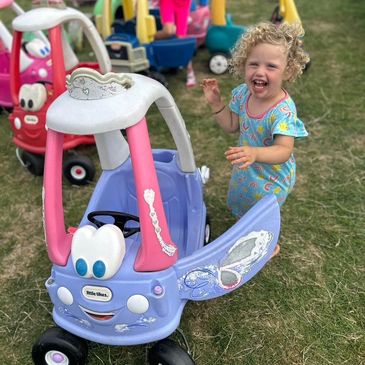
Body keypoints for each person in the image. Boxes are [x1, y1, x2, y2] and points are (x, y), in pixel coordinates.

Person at [201, 22, 310, 256]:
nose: (260, 72)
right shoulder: (243, 94)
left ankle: (269, 243)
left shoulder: (283, 111)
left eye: (271, 66)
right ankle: (246, 228)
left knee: (262, 212)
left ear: (288, 71)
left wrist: (255, 153)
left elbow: (284, 150)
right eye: (254, 64)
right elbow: (232, 125)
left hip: (273, 175)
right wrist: (216, 103)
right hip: (248, 170)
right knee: (245, 203)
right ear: (243, 65)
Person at [154, 0, 197, 87]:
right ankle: (150, 38)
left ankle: (190, 71)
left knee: (181, 38)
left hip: (183, 3)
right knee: (168, 31)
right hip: (167, 1)